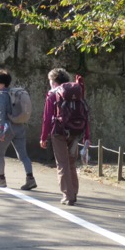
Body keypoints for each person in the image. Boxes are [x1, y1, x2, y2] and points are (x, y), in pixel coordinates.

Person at [40, 68, 90, 206]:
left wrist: (43, 137)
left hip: (58, 132)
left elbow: (47, 117)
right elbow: (86, 114)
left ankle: (67, 196)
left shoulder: (52, 94)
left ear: (54, 81)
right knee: (71, 163)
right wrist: (86, 136)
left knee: (62, 164)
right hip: (75, 132)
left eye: (50, 81)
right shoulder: (77, 93)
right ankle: (73, 193)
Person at [0, 69, 37, 190]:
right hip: (19, 126)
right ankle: (30, 179)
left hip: (6, 128)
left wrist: (1, 130)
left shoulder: (1, 95)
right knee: (23, 155)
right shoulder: (13, 93)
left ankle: (1, 179)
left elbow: (1, 114)